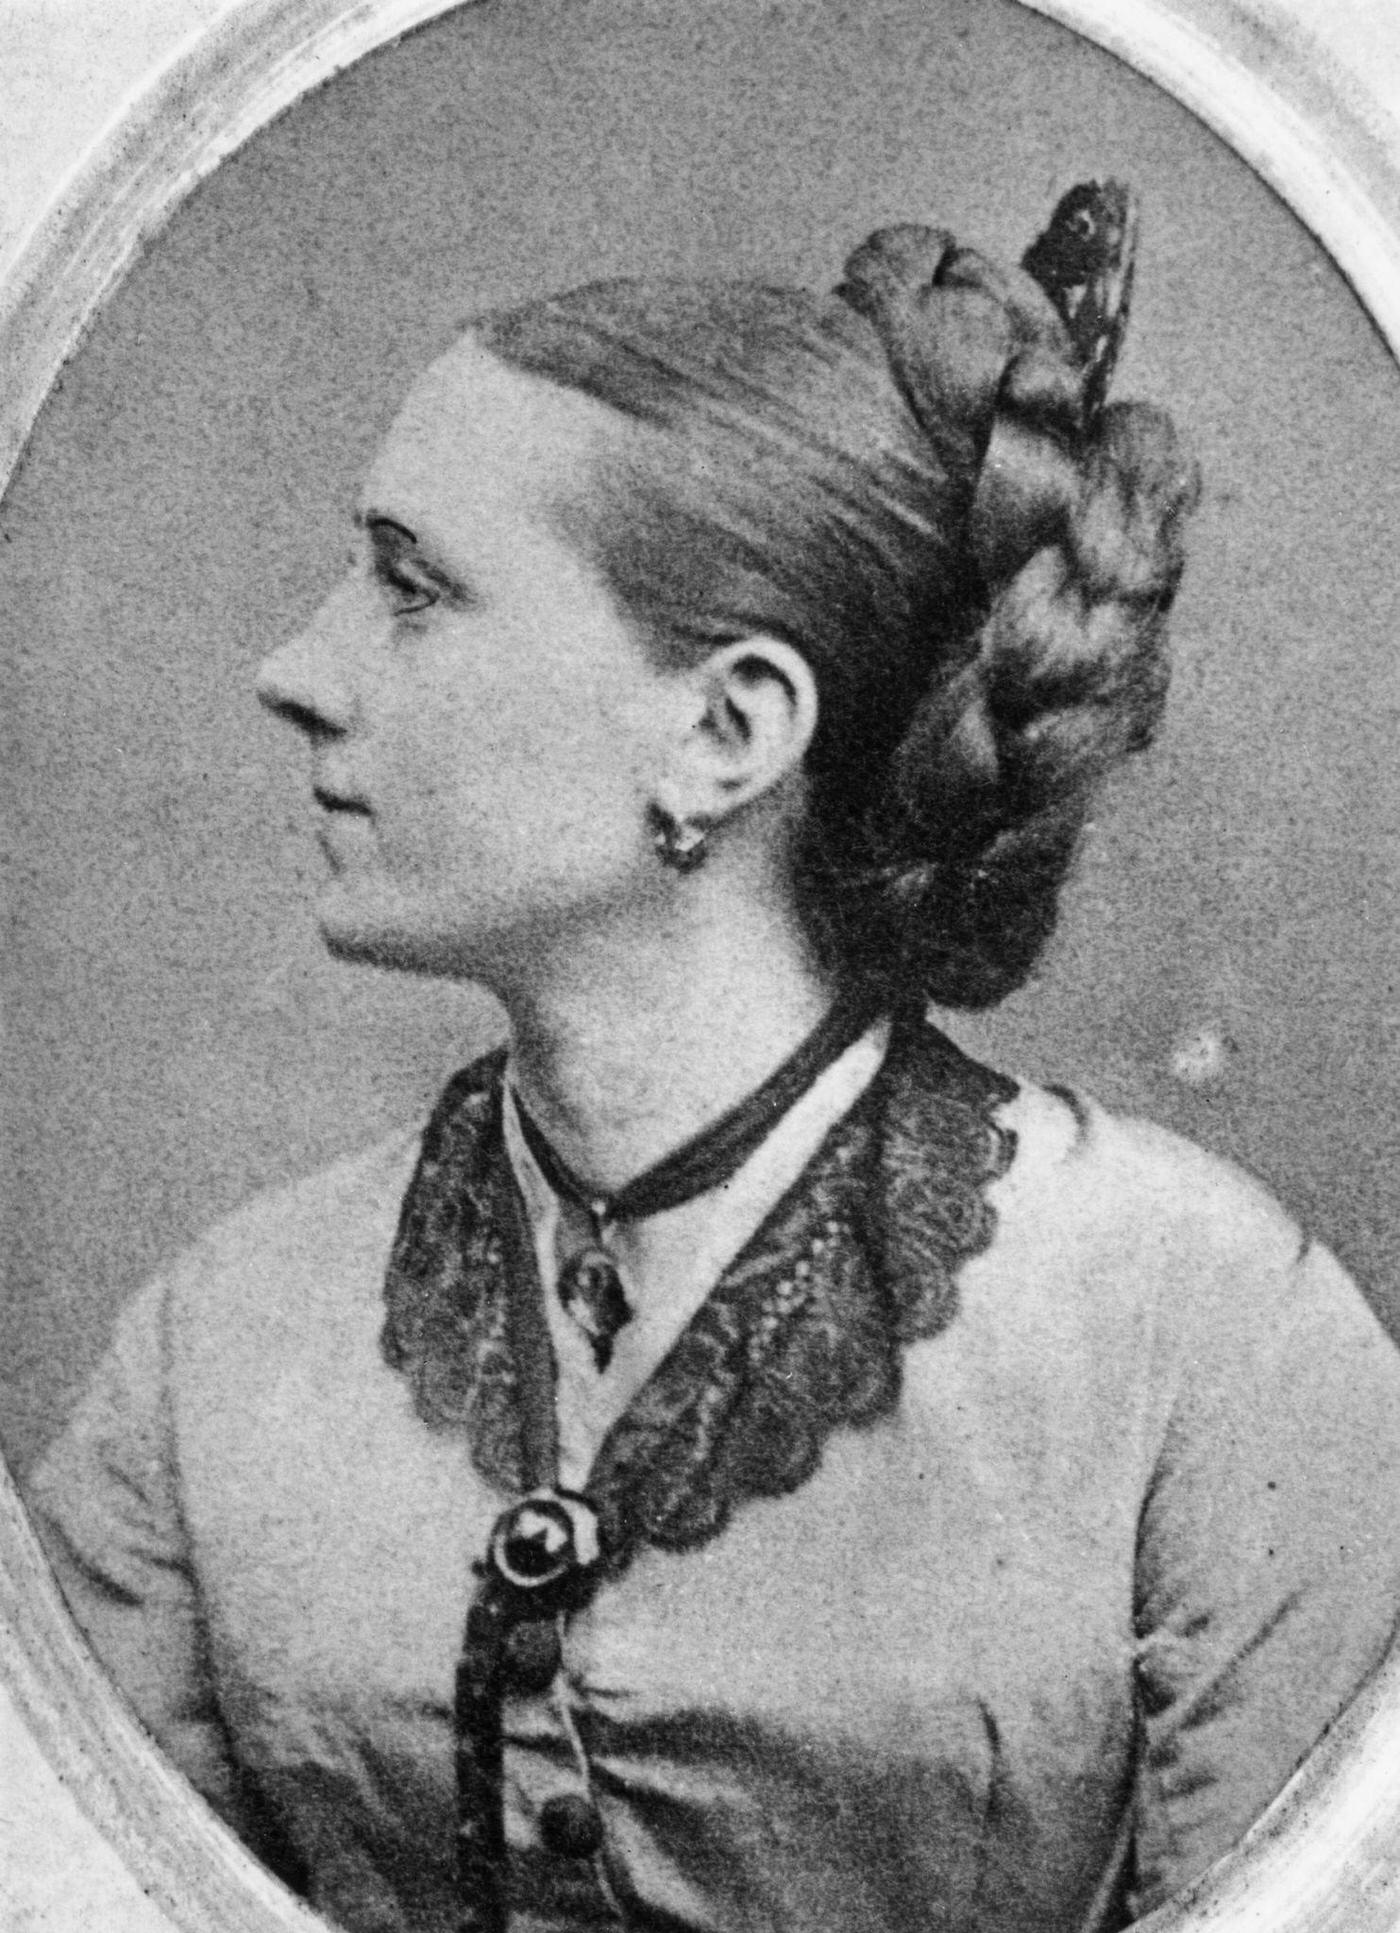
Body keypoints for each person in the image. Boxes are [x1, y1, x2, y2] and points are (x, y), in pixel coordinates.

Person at [26, 186, 1400, 1933]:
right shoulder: (212, 1349)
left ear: (727, 730)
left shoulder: (1207, 1334)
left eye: (412, 586)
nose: (295, 670)